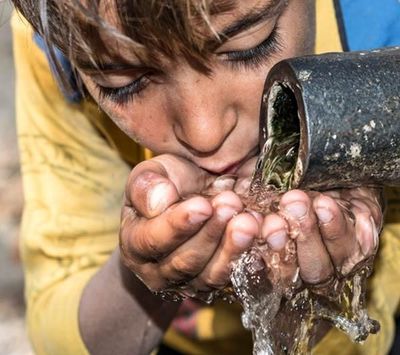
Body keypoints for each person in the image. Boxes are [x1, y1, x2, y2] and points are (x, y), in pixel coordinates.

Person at [9, 0, 400, 354]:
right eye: (124, 84)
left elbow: (370, 335)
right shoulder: (67, 33)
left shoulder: (388, 27)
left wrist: (324, 295)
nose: (205, 133)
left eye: (250, 45)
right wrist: (151, 268)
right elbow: (59, 330)